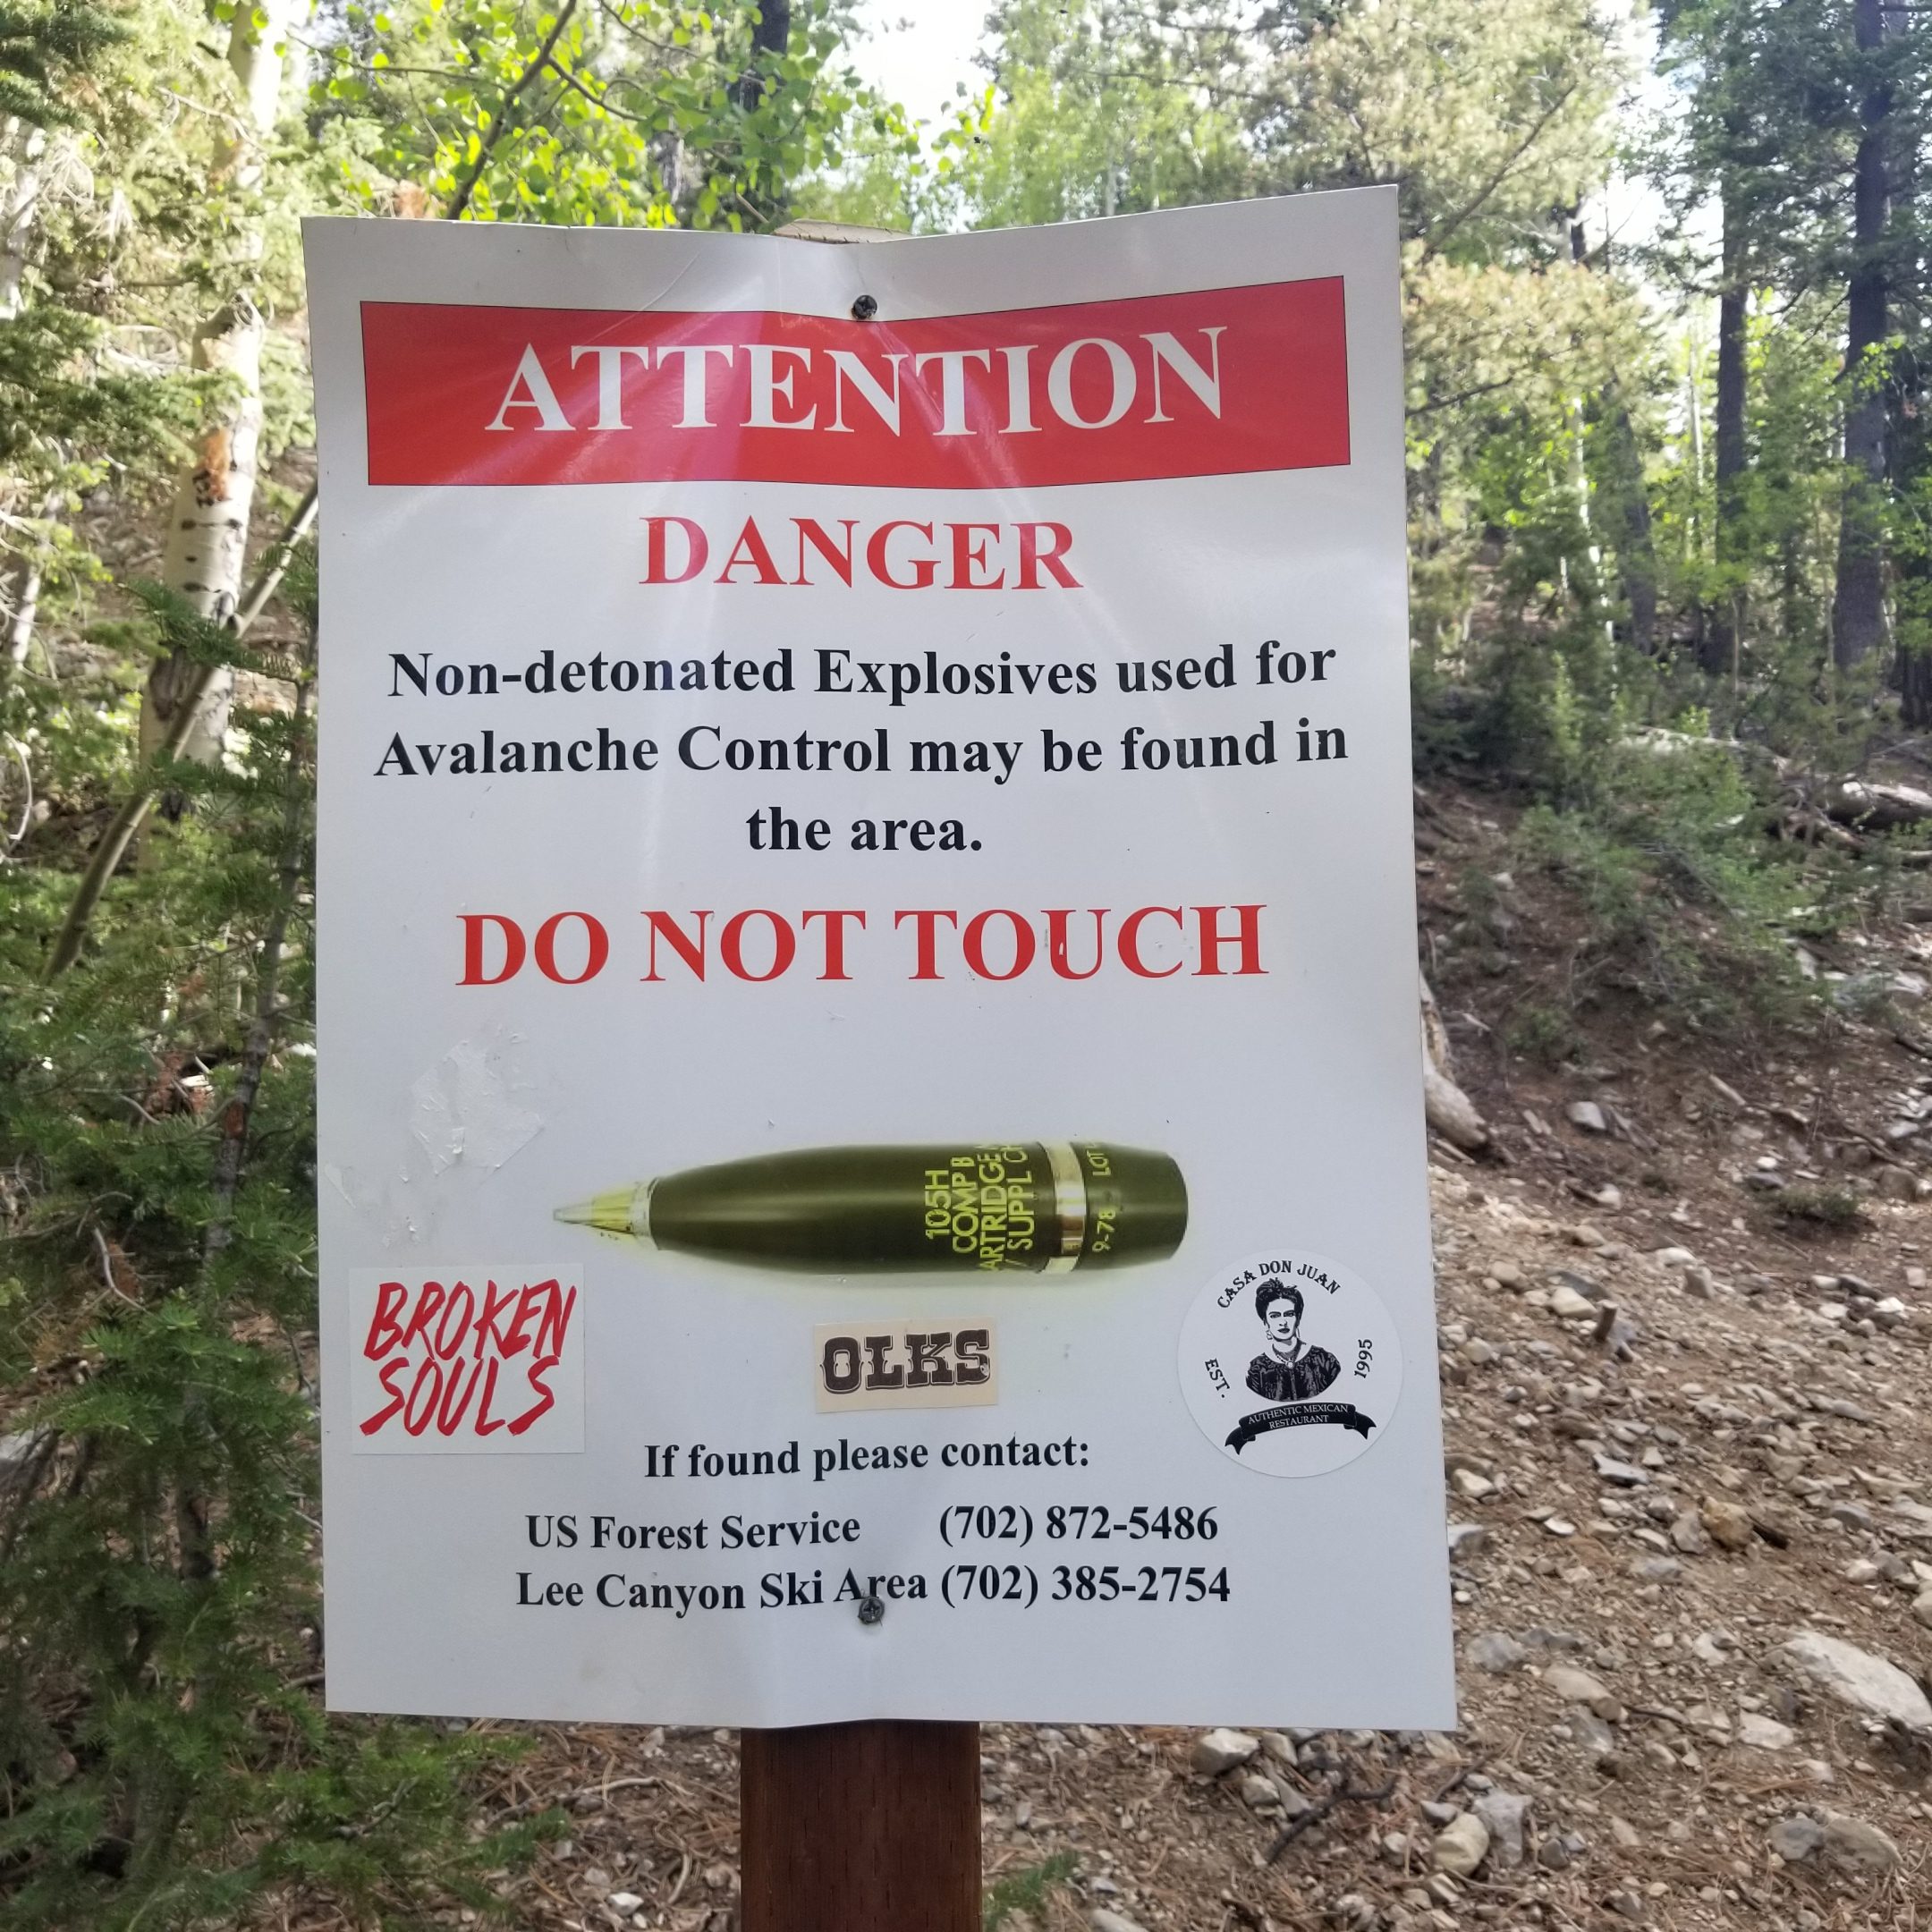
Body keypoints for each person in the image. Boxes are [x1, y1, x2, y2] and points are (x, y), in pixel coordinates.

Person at [1245, 1280, 1340, 1402]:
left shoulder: (1325, 1360)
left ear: (1298, 1318)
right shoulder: (1256, 1370)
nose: (1283, 1322)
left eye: (1289, 1314)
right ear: (1265, 1322)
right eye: (1275, 1316)